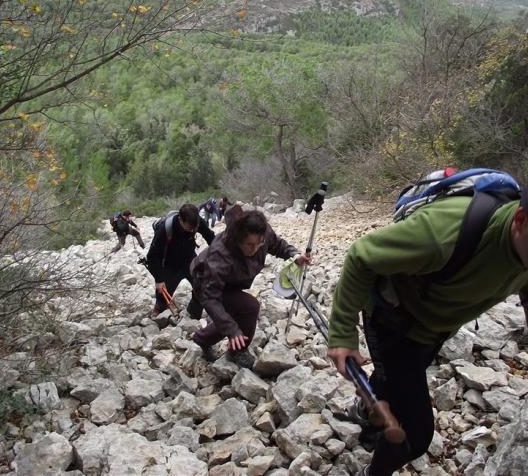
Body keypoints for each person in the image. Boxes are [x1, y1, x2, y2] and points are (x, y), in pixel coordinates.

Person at [327, 193, 528, 476]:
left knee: (394, 380)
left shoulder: (523, 247)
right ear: (520, 220)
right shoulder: (443, 233)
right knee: (416, 435)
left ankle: (364, 415)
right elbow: (362, 256)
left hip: (436, 326)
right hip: (393, 320)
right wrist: (341, 334)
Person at [190, 206, 312, 368]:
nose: (255, 250)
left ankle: (202, 339)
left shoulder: (262, 234)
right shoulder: (220, 253)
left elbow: (277, 244)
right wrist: (232, 331)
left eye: (259, 244)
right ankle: (237, 351)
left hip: (232, 282)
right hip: (205, 282)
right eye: (249, 245)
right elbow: (210, 296)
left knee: (234, 311)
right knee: (249, 307)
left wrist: (295, 255)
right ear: (238, 239)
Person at [146, 203, 215, 318]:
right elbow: (152, 256)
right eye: (189, 228)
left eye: (194, 228)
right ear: (180, 219)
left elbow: (211, 237)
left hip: (190, 260)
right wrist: (159, 280)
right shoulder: (165, 229)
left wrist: (221, 254)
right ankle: (159, 310)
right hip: (170, 265)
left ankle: (194, 313)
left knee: (202, 286)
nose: (192, 230)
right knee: (163, 293)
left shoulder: (196, 222)